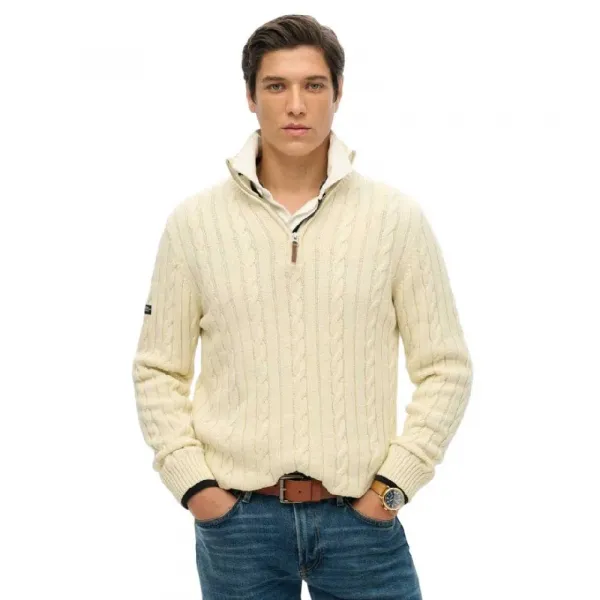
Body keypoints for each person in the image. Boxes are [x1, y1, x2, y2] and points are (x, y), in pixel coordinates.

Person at [131, 13, 473, 600]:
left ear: (337, 94)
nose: (296, 104)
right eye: (276, 86)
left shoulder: (395, 220)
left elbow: (447, 368)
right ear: (250, 96)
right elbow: (157, 369)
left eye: (314, 85)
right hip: (238, 524)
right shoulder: (195, 224)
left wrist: (393, 488)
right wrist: (196, 488)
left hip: (362, 521)